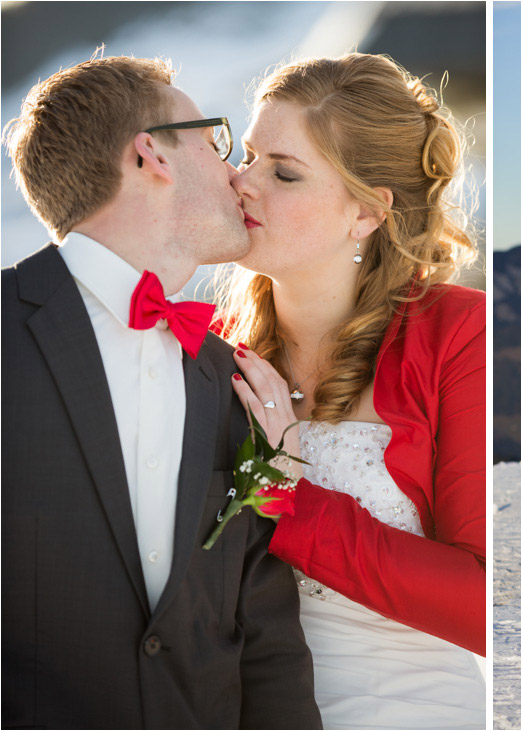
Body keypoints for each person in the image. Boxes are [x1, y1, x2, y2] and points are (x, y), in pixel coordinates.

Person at [1, 56, 320, 728]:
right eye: (215, 142)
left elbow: (264, 639)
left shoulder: (235, 378)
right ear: (152, 154)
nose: (237, 173)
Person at [216, 54, 486, 729]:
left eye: (282, 172)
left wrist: (288, 501)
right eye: (245, 156)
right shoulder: (214, 353)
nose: (240, 183)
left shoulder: (458, 334)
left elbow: (483, 599)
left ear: (366, 212)